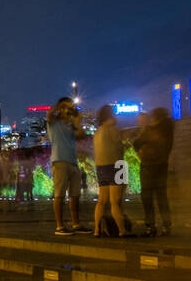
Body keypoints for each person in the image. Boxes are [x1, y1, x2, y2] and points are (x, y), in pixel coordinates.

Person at [48, 97, 88, 235]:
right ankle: (59, 226)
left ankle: (76, 224)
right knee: (59, 195)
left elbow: (82, 135)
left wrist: (78, 120)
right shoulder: (53, 122)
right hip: (59, 161)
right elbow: (49, 114)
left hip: (73, 162)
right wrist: (60, 105)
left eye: (71, 106)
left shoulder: (72, 124)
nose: (69, 109)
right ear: (60, 108)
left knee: (75, 195)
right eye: (66, 106)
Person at [135, 107, 175, 237]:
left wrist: (141, 154)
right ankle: (166, 226)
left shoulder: (150, 130)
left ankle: (150, 227)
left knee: (147, 198)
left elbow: (136, 144)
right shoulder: (169, 130)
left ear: (155, 118)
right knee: (162, 197)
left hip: (148, 167)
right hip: (162, 166)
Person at [92, 104, 130, 237]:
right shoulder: (112, 129)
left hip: (100, 167)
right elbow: (121, 145)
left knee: (102, 200)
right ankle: (122, 230)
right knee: (115, 202)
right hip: (116, 165)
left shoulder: (97, 132)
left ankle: (97, 229)